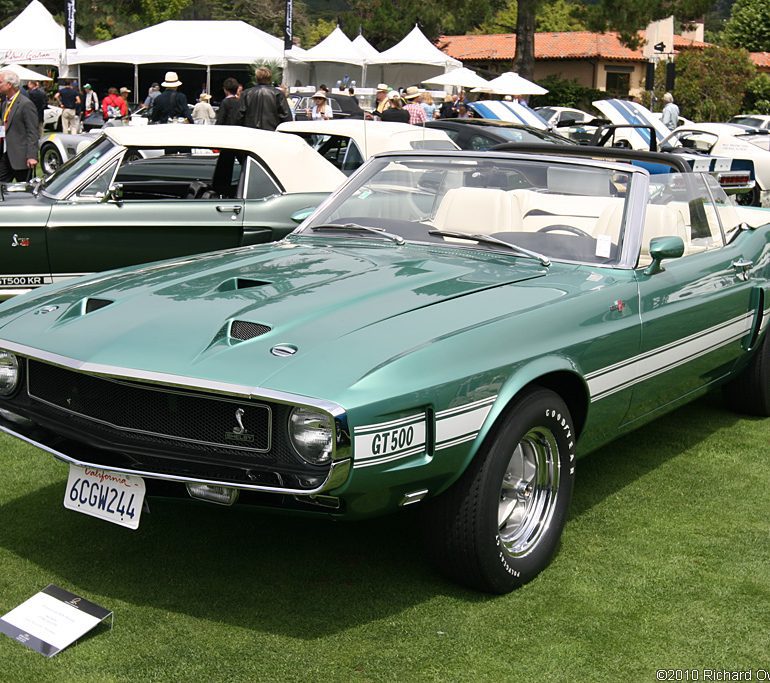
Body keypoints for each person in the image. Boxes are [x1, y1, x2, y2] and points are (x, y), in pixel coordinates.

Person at [0, 69, 39, 182]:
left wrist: (32, 156)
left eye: (0, 82)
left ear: (9, 85)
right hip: (6, 155)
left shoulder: (25, 104)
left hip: (21, 158)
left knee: (25, 191)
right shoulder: (4, 103)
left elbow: (32, 131)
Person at [237, 66, 291, 131]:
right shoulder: (278, 93)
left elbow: (239, 115)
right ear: (270, 78)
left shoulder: (246, 93)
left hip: (250, 131)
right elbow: (286, 116)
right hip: (272, 131)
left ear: (256, 78)